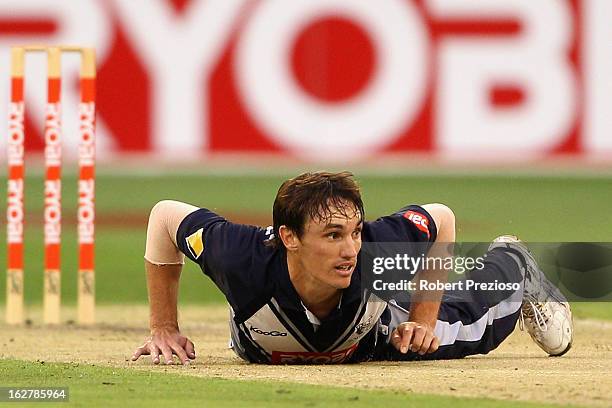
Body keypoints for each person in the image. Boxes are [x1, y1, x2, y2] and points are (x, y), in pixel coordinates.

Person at [131, 171, 573, 365]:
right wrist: (162, 327)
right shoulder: (239, 256)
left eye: (355, 231)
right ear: (289, 237)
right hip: (275, 340)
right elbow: (165, 216)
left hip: (370, 333)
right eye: (332, 235)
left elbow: (440, 217)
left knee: (464, 331)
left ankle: (514, 265)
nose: (350, 248)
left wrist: (422, 320)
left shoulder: (375, 252)